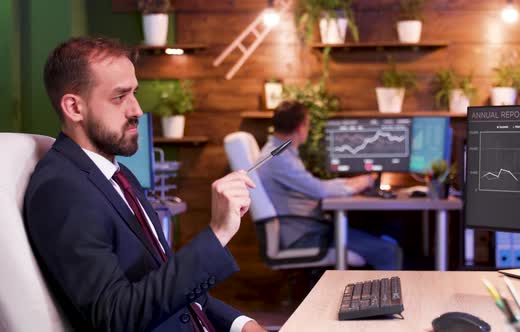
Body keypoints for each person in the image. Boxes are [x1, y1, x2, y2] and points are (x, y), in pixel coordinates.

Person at [24, 37, 265, 332]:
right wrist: (217, 233)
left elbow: (166, 282)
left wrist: (241, 324)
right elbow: (117, 317)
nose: (137, 110)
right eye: (119, 97)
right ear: (74, 107)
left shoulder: (119, 177)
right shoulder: (62, 190)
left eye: (134, 93)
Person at [257, 101, 402, 270]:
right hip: (304, 237)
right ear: (300, 127)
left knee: (384, 230)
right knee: (389, 251)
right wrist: (361, 183)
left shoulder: (279, 152)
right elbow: (320, 190)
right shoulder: (279, 158)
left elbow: (313, 185)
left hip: (306, 229)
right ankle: (386, 296)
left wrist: (350, 182)